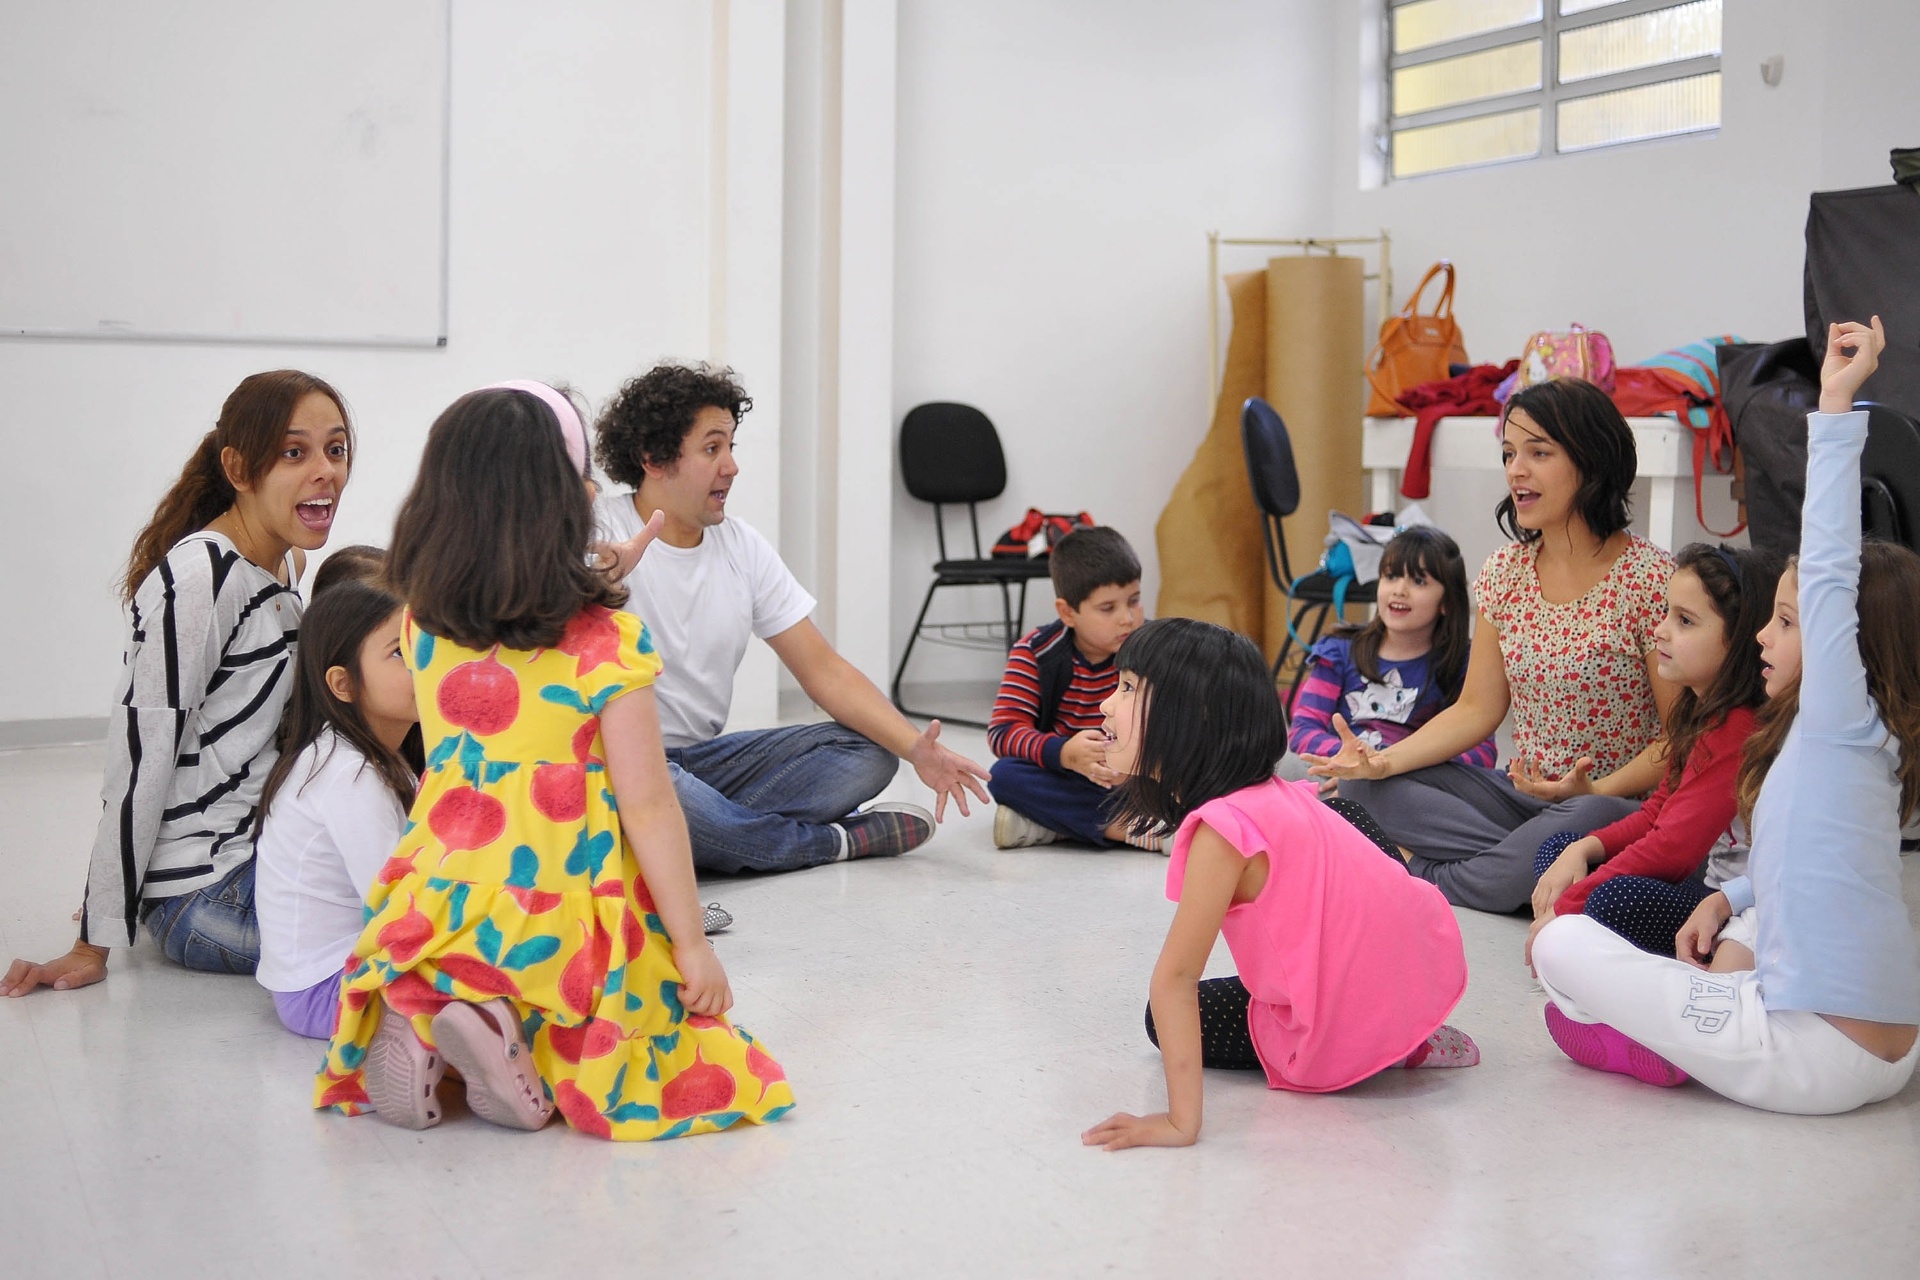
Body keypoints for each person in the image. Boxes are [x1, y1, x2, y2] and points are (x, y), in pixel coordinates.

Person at [315, 384, 792, 1139]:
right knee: (678, 1042)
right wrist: (692, 944)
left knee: (464, 938)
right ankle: (514, 1035)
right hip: (566, 884)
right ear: (566, 504)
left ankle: (452, 1011)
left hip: (446, 880)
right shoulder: (605, 642)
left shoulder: (422, 624)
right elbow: (648, 804)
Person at [1533, 317, 1920, 1115]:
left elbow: (1829, 560)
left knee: (1563, 947)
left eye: (1786, 621)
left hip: (1815, 1057)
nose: (1765, 637)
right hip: (1885, 1051)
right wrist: (1729, 901)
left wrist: (1838, 404)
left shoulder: (1836, 724)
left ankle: (1668, 1044)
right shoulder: (1865, 746)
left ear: (1847, 641)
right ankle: (1686, 1021)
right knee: (1712, 940)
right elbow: (1804, 872)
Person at [3, 372, 352, 996]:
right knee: (425, 932)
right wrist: (96, 938)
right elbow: (140, 758)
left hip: (252, 862)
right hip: (208, 897)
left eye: (336, 448)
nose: (324, 471)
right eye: (294, 453)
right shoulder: (200, 582)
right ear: (238, 469)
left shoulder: (278, 563)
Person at [1079, 620, 1477, 1152]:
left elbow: (1173, 979)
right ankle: (1407, 1025)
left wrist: (1180, 1122)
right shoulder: (1272, 793)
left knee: (1162, 1018)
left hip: (1335, 1029)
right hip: (1414, 972)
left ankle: (1384, 1042)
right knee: (1347, 811)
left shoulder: (1221, 834)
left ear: (1189, 718)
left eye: (1127, 688)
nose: (1107, 704)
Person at [591, 361, 989, 874]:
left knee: (870, 754)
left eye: (731, 447)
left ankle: (705, 838)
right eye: (712, 449)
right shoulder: (600, 533)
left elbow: (823, 669)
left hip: (707, 766)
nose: (731, 466)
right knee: (659, 793)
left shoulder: (743, 547)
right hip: (624, 763)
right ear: (654, 459)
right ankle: (824, 843)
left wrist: (917, 749)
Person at [1307, 378, 1677, 912]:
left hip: (1607, 806)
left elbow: (1678, 740)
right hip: (1517, 797)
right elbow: (1478, 708)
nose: (1515, 470)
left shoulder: (1650, 580)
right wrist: (1381, 763)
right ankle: (1529, 872)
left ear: (1592, 460)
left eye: (1538, 452)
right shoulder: (1505, 573)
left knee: (1591, 821)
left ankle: (1420, 874)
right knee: (1362, 791)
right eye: (1509, 453)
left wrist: (1594, 791)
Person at [1526, 543, 1778, 957]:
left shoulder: (1737, 728)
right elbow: (1656, 812)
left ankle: (1572, 938)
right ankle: (1572, 936)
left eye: (1685, 621)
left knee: (1613, 899)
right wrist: (1582, 850)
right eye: (1667, 613)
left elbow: (1671, 851)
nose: (1661, 630)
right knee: (1561, 848)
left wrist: (1569, 908)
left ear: (1737, 641)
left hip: (1734, 914)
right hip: (1704, 889)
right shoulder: (1701, 709)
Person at [254, 578, 422, 1037]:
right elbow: (397, 905)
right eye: (401, 654)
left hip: (333, 977)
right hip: (327, 991)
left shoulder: (378, 762)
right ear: (343, 683)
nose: (427, 664)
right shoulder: (349, 776)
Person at [985, 526, 1158, 850]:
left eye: (1134, 601)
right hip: (1074, 775)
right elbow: (1003, 732)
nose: (1128, 618)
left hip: (1142, 778)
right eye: (1108, 608)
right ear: (1067, 613)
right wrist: (1064, 753)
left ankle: (1050, 825)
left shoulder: (1157, 647)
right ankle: (1131, 829)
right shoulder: (1036, 653)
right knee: (1005, 775)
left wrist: (1139, 761)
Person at [1287, 526, 1496, 773]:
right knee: (1289, 769)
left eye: (1419, 581)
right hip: (1342, 769)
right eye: (1391, 576)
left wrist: (1399, 763)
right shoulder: (1339, 650)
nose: (1399, 590)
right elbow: (1302, 731)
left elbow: (1483, 752)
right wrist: (1353, 759)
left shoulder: (1463, 664)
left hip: (1412, 778)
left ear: (1447, 602)